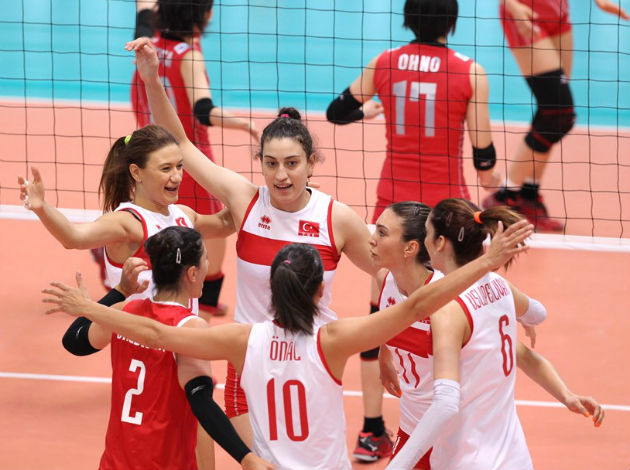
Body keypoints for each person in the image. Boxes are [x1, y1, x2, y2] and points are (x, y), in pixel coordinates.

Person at [42, 219, 533, 470]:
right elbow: (416, 306)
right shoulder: (334, 341)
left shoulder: (241, 339)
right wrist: (486, 263)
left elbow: (154, 333)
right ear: (320, 292)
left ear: (273, 290)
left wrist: (92, 306)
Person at [126, 36, 397, 449]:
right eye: (271, 164)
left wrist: (391, 347)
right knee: (257, 461)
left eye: (292, 163)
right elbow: (180, 143)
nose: (281, 175)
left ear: (312, 163)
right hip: (250, 357)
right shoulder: (246, 200)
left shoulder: (335, 217)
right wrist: (151, 79)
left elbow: (389, 274)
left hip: (312, 362)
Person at [326, 0, 501, 456]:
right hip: (448, 221)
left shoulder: (384, 62)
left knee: (380, 319)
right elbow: (484, 160)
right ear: (452, 20)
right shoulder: (471, 72)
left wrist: (372, 111)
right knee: (466, 315)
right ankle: (464, 428)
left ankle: (370, 430)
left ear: (408, 17)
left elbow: (336, 112)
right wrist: (497, 181)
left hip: (395, 217)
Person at [18, 125, 235, 467]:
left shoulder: (183, 215)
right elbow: (74, 237)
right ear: (137, 172)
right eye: (166, 168)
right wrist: (42, 207)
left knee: (198, 434)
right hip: (148, 351)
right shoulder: (128, 223)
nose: (177, 176)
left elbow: (224, 223)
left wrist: (262, 195)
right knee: (154, 446)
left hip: (185, 344)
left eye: (180, 166)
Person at [370, 201, 603, 469]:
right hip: (511, 456)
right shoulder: (499, 287)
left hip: (462, 454)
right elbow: (536, 319)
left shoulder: (446, 309)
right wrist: (523, 318)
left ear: (439, 243)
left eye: (428, 233)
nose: (425, 240)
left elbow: (445, 403)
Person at [49, 227, 272, 470]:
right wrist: (245, 456)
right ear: (192, 273)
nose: (208, 264)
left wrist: (118, 292)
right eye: (205, 259)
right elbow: (201, 401)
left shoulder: (124, 312)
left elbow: (75, 341)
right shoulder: (190, 327)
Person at [131, 0, 259, 316]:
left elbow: (144, 8)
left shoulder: (147, 46)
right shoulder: (189, 55)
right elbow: (204, 111)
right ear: (205, 14)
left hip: (148, 156)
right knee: (212, 230)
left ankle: (156, 296)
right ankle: (205, 304)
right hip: (188, 159)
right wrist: (246, 124)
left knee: (156, 225)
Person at [483, 0, 629, 231]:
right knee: (559, 114)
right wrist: (512, 6)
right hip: (524, 10)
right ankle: (504, 197)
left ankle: (529, 197)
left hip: (558, 11)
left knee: (551, 111)